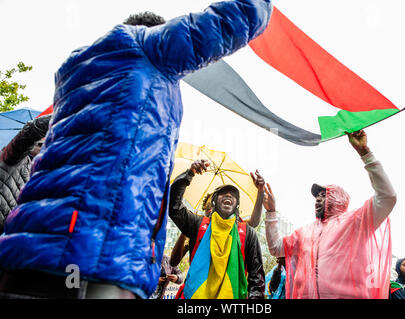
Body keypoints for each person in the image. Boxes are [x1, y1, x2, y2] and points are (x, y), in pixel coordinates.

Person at [0, 0, 272, 299]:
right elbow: (245, 14)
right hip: (95, 255)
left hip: (25, 248)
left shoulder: (75, 70)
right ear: (159, 33)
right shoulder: (150, 47)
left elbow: (34, 137)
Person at [264, 130, 397, 299]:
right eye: (316, 197)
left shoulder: (355, 222)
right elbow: (276, 248)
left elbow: (387, 197)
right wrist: (270, 213)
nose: (318, 200)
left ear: (338, 198)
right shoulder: (304, 233)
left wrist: (365, 154)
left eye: (323, 195)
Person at [169, 159, 265, 299]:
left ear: (237, 206)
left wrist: (260, 192)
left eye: (233, 195)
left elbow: (256, 275)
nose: (228, 195)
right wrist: (190, 173)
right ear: (213, 203)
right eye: (223, 193)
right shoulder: (197, 224)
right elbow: (174, 207)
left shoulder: (247, 232)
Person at [0, 115, 51, 233]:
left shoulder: (38, 173)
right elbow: (31, 130)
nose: (44, 148)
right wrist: (63, 117)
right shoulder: (12, 158)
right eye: (40, 144)